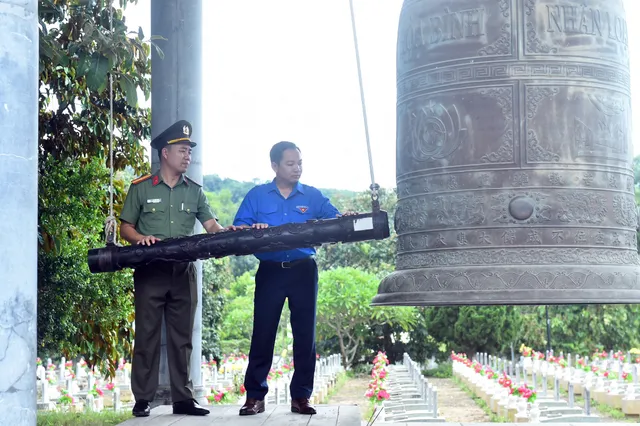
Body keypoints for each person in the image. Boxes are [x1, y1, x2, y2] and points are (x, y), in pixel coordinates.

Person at [119, 120, 236, 417]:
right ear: (165, 153)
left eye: (189, 151)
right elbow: (126, 227)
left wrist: (227, 232)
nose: (188, 156)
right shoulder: (141, 188)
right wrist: (140, 238)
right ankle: (143, 398)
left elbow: (211, 226)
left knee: (182, 337)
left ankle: (183, 398)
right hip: (151, 271)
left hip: (184, 272)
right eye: (182, 150)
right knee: (146, 335)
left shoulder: (194, 192)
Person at [233, 141, 356, 416]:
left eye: (300, 163)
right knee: (263, 333)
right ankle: (255, 396)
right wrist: (254, 229)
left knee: (305, 335)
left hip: (303, 270)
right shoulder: (256, 195)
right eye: (290, 164)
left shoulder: (311, 196)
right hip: (270, 272)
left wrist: (344, 218)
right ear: (274, 166)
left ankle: (301, 397)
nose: (297, 168)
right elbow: (237, 229)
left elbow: (334, 218)